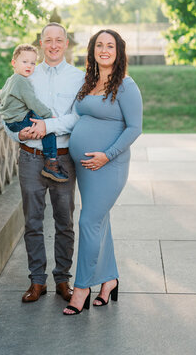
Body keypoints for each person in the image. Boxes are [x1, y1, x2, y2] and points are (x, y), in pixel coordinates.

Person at [63, 29, 142, 315]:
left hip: (110, 166)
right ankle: (109, 280)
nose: (104, 50)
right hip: (86, 168)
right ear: (93, 50)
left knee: (88, 222)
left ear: (118, 52)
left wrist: (107, 156)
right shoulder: (91, 81)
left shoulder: (126, 86)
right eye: (100, 45)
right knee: (99, 222)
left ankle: (82, 287)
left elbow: (135, 128)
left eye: (110, 46)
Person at [4, 23, 84, 303]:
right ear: (40, 44)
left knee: (64, 222)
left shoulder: (78, 78)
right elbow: (6, 112)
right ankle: (37, 281)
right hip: (30, 157)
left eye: (58, 40)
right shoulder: (25, 73)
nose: (53, 45)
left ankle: (63, 279)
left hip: (63, 159)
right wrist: (17, 132)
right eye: (47, 40)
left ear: (66, 43)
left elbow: (77, 117)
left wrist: (47, 125)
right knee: (33, 223)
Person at [0, 43, 69, 182]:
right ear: (14, 63)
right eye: (24, 62)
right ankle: (51, 161)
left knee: (40, 120)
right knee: (46, 126)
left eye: (32, 63)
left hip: (11, 120)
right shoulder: (21, 81)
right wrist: (49, 116)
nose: (29, 66)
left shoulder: (11, 80)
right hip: (19, 121)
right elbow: (33, 102)